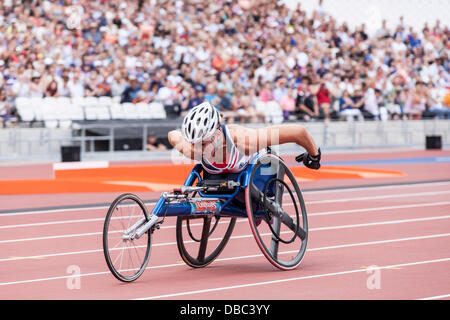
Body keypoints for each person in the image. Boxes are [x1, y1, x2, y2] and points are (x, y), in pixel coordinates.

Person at [168, 102, 321, 176]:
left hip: (257, 168)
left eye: (204, 143)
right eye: (195, 143)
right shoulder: (192, 150)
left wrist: (314, 156)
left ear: (217, 132)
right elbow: (173, 136)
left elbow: (299, 132)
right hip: (226, 177)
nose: (201, 148)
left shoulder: (245, 141)